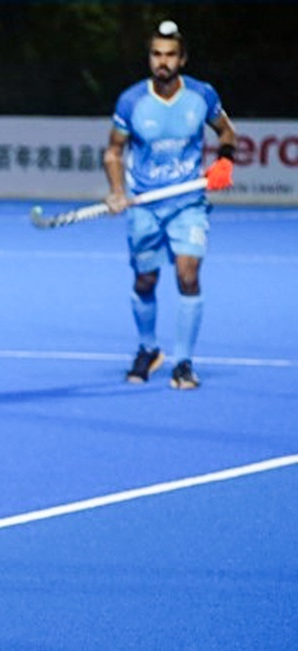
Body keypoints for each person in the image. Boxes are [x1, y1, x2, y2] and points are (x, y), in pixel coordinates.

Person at [103, 20, 236, 389]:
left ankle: (185, 363)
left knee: (187, 274)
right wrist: (116, 190)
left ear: (183, 58)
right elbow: (114, 151)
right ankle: (148, 350)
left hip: (187, 202)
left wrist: (224, 161)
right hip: (145, 203)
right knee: (145, 280)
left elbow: (227, 132)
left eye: (170, 55)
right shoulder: (131, 101)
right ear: (150, 58)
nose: (163, 62)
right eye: (157, 55)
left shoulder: (202, 96)